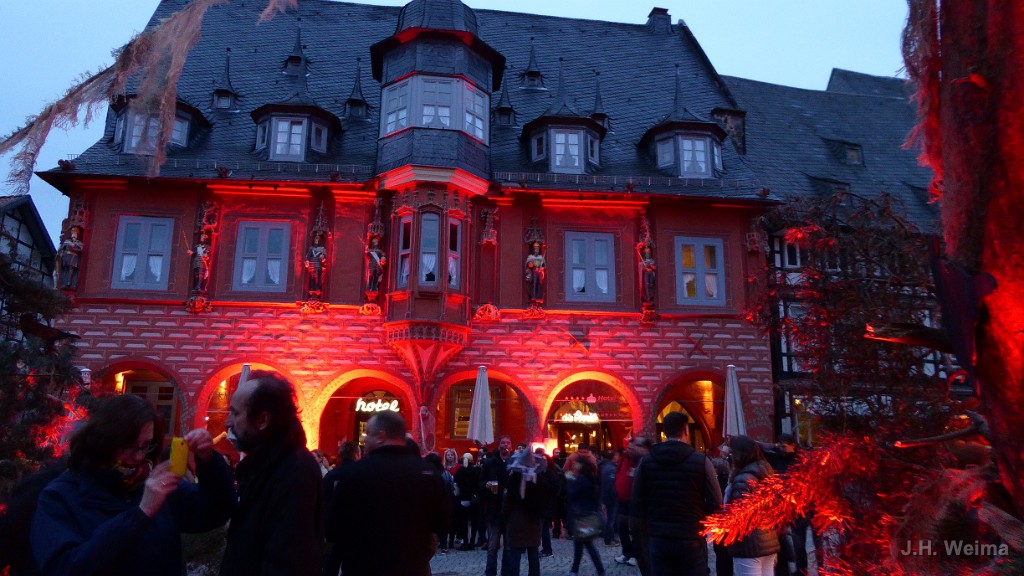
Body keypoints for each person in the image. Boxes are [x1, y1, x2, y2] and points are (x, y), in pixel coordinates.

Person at [30, 394, 235, 576]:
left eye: (145, 446)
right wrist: (140, 513)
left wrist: (209, 461)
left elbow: (214, 511)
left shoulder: (151, 484)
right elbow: (65, 568)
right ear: (104, 440)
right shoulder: (61, 495)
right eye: (129, 446)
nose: (138, 456)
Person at [220, 371, 324, 576]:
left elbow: (288, 561)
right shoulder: (268, 464)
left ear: (262, 420)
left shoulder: (294, 472)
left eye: (236, 413)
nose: (228, 422)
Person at [326, 411, 450, 576]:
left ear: (380, 436)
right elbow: (442, 523)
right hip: (411, 566)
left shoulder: (355, 473)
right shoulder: (427, 473)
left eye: (368, 434)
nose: (364, 439)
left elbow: (333, 528)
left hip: (364, 566)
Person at [631, 411, 723, 576]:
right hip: (691, 536)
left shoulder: (646, 461)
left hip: (658, 536)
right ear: (686, 430)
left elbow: (637, 500)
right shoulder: (701, 461)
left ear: (665, 431)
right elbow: (715, 502)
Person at [725, 435, 780, 576]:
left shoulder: (743, 479)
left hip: (749, 544)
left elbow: (739, 515)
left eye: (732, 453)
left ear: (739, 454)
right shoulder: (766, 473)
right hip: (768, 540)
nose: (730, 456)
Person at [501, 450, 544, 576]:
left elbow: (508, 500)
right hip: (533, 520)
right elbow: (542, 498)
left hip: (516, 519)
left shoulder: (514, 477)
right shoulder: (537, 477)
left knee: (515, 553)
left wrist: (504, 517)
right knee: (533, 553)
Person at [321, 440, 360, 576]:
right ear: (356, 455)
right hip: (354, 530)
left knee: (329, 566)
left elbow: (323, 501)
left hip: (332, 529)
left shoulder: (331, 476)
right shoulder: (360, 474)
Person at [565, 455, 607, 576]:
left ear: (581, 465)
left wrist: (570, 481)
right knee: (581, 543)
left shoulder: (581, 479)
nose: (573, 465)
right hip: (587, 513)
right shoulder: (592, 478)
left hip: (581, 515)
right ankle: (575, 570)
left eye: (576, 463)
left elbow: (572, 494)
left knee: (586, 544)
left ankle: (599, 570)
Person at [614, 436, 651, 569]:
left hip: (636, 501)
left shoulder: (644, 461)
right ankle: (627, 552)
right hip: (623, 499)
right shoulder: (624, 459)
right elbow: (619, 475)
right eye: (628, 448)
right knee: (622, 527)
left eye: (632, 448)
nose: (629, 450)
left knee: (636, 530)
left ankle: (636, 555)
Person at [481, 435, 514, 576]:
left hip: (510, 511)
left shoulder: (515, 463)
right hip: (494, 509)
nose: (505, 445)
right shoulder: (490, 463)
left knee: (508, 546)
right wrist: (485, 484)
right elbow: (480, 482)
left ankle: (506, 573)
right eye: (503, 443)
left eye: (508, 443)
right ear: (499, 446)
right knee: (493, 546)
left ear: (511, 447)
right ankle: (490, 572)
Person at [454, 452, 481, 550]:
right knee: (474, 522)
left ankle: (465, 542)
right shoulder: (477, 470)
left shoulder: (460, 470)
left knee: (464, 522)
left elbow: (456, 483)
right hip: (474, 498)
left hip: (463, 498)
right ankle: (472, 542)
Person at [599, 449, 619, 546]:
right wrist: (614, 496)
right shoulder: (611, 468)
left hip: (608, 497)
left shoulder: (608, 467)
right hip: (611, 498)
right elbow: (610, 485)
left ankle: (610, 538)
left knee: (610, 519)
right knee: (610, 520)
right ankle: (609, 539)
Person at [56, 225, 83, 289]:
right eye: (73, 233)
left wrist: (74, 248)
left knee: (72, 269)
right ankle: (63, 282)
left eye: (75, 233)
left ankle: (69, 282)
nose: (74, 235)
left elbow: (80, 250)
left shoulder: (79, 243)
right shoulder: (67, 241)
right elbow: (62, 249)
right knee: (65, 269)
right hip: (67, 257)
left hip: (74, 257)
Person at [304, 231, 328, 298]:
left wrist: (323, 258)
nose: (316, 241)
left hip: (318, 263)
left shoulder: (322, 249)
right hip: (312, 263)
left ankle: (317, 287)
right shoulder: (311, 248)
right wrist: (307, 261)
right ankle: (313, 287)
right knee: (312, 276)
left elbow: (325, 257)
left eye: (318, 240)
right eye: (315, 240)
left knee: (317, 276)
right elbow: (308, 256)